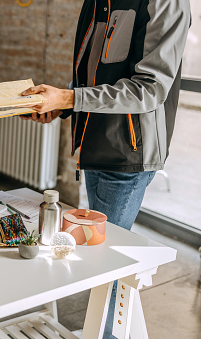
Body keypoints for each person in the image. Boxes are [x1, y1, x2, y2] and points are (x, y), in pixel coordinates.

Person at [18, 0, 191, 337]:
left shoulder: (166, 3)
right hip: (95, 146)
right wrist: (60, 105)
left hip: (129, 153)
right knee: (102, 259)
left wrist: (69, 100)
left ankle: (107, 333)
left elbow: (150, 90)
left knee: (106, 268)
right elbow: (92, 77)